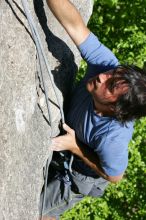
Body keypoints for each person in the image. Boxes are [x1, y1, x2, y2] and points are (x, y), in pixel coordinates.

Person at [39, 0, 146, 219]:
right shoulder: (107, 66)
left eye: (111, 86)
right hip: (69, 145)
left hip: (81, 172)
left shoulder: (112, 137)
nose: (103, 76)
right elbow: (75, 26)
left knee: (38, 212)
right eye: (113, 73)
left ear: (116, 108)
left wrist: (76, 146)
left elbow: (114, 176)